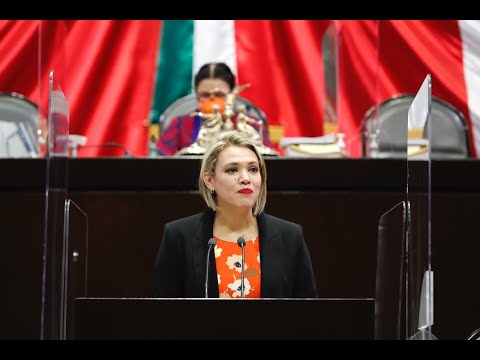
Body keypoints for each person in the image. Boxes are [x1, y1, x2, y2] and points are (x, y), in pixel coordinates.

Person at [154, 131, 317, 298]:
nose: (245, 178)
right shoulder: (179, 236)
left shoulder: (289, 236)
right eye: (232, 170)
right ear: (210, 180)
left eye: (253, 169)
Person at [157, 62, 273, 155]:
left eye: (219, 95)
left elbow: (270, 160)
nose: (212, 100)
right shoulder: (180, 124)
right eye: (205, 95)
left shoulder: (250, 125)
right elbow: (163, 163)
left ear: (232, 94)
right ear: (197, 96)